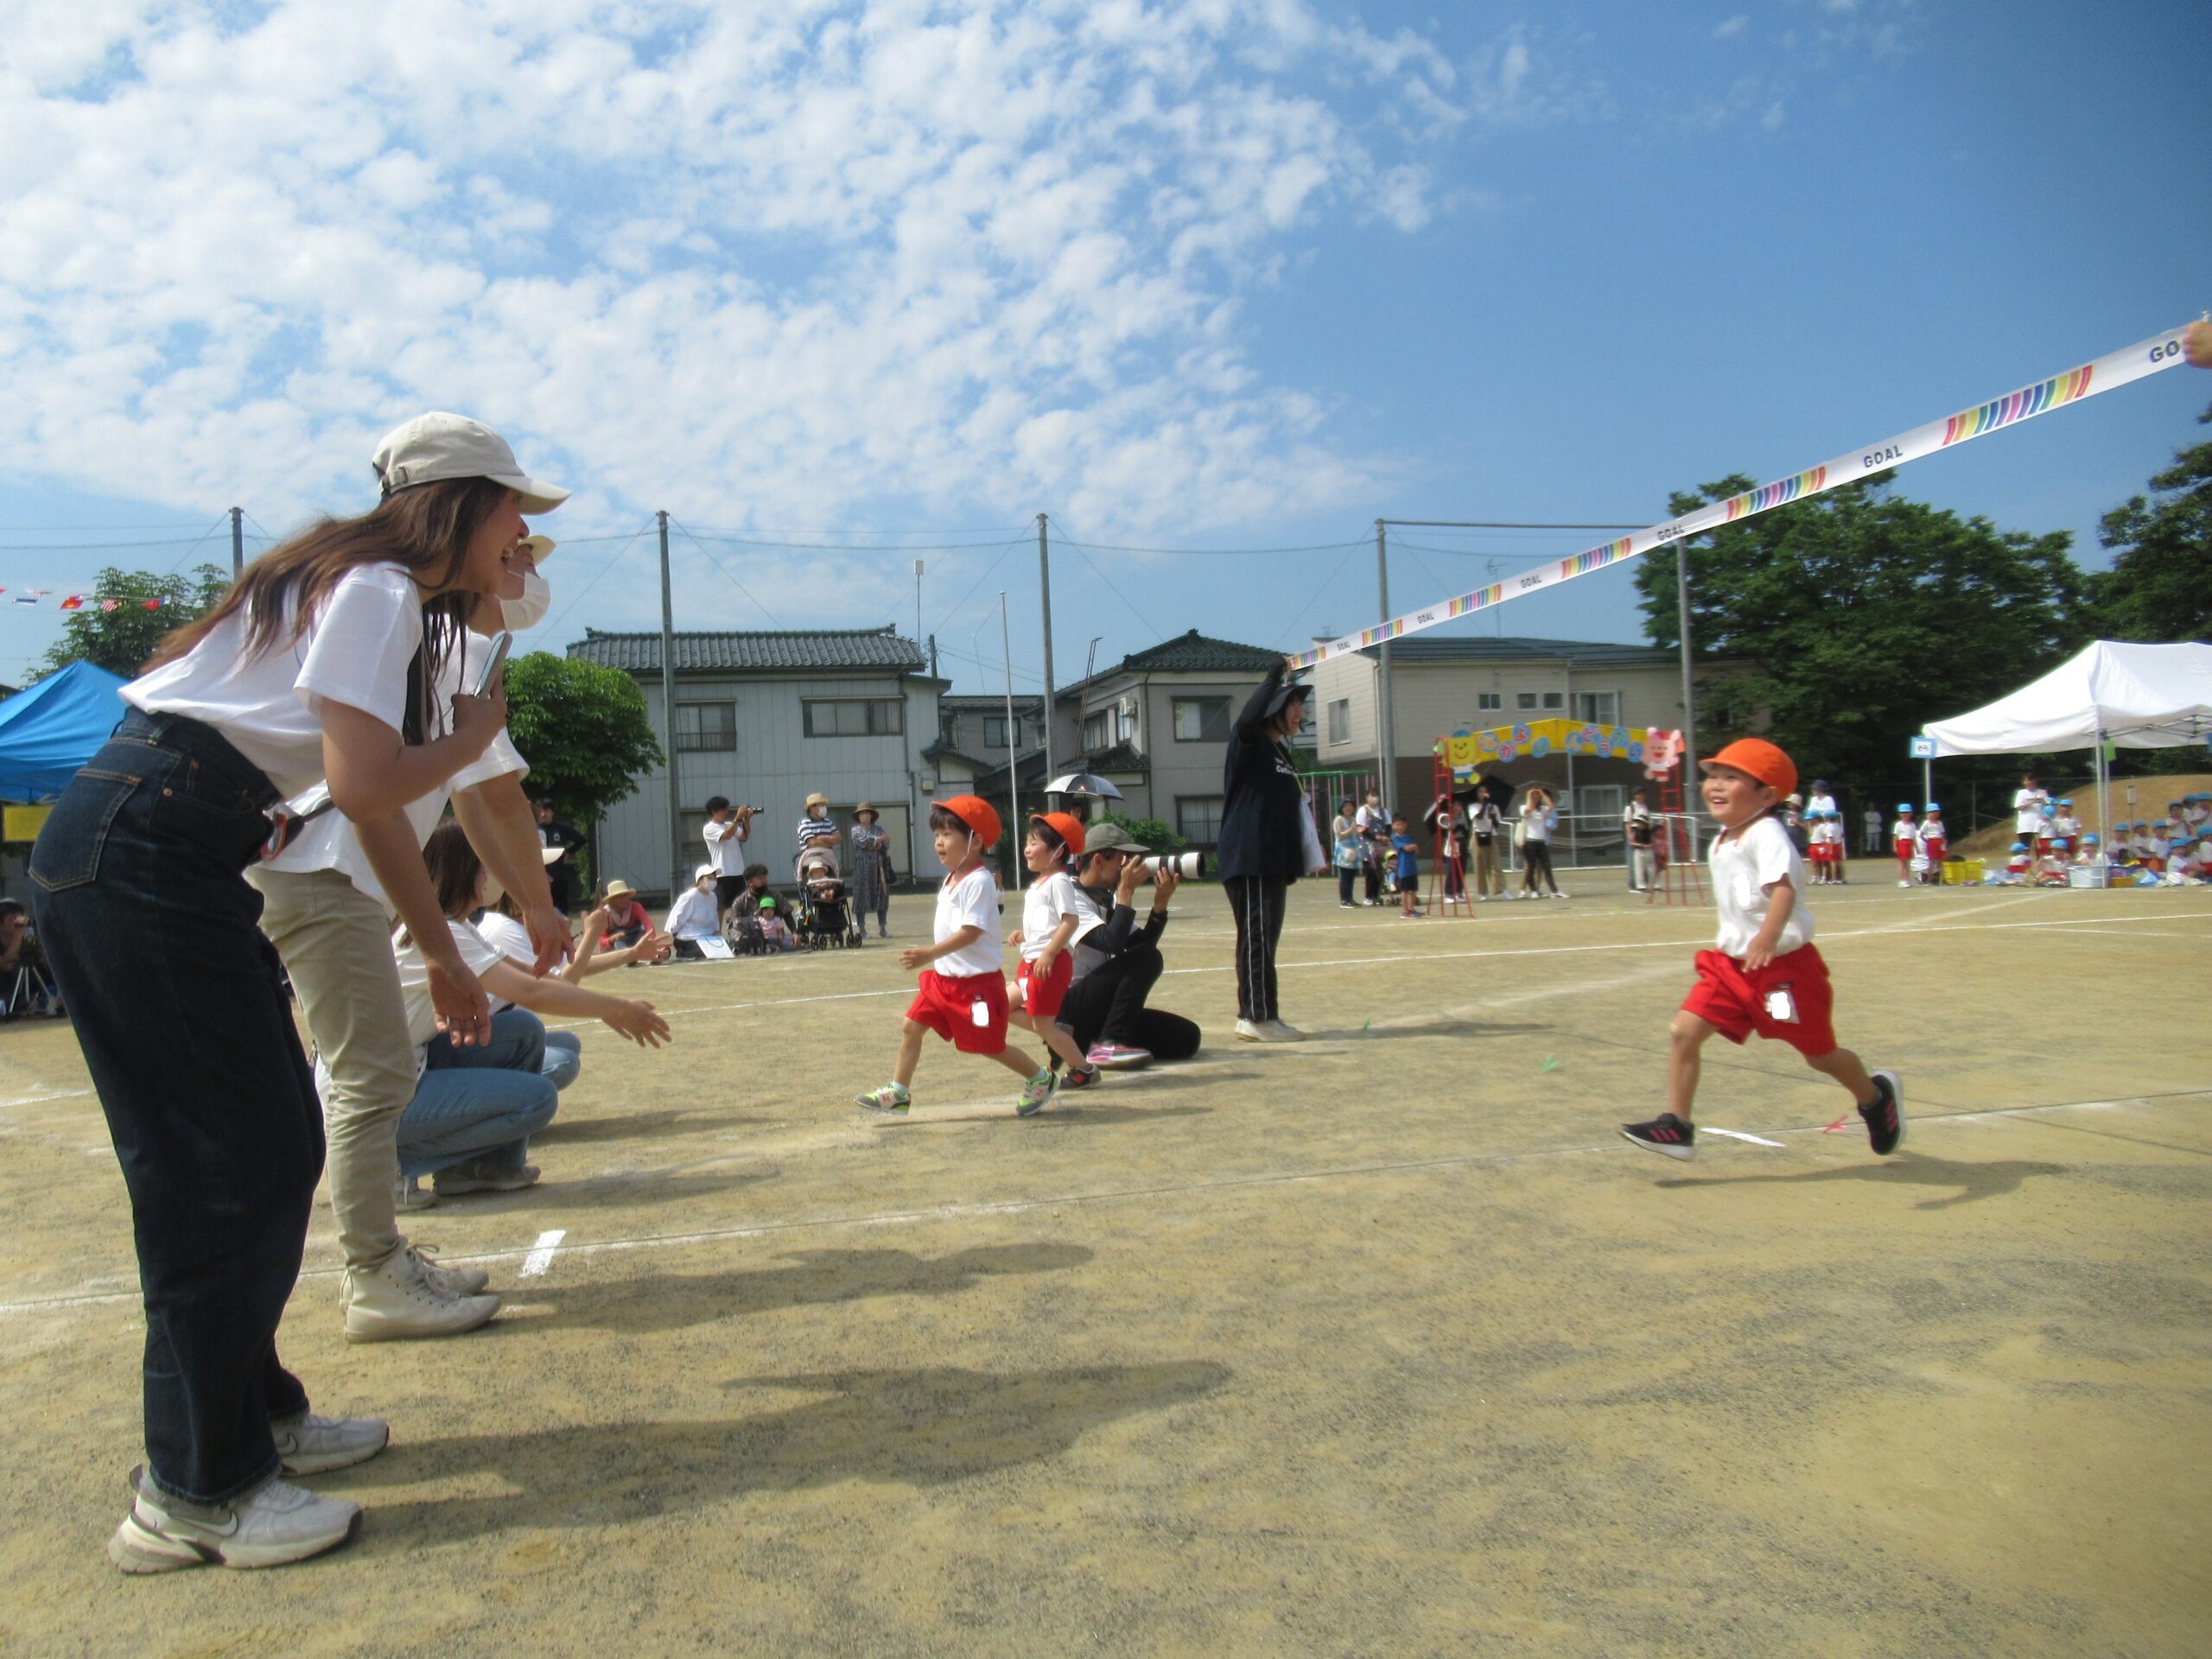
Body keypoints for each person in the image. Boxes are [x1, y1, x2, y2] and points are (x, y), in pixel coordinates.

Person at [29, 410, 563, 1573]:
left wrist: (442, 949)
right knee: (225, 1166)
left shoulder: (354, 583)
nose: (522, 535)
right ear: (466, 504)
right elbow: (367, 787)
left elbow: (371, 810)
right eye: (515, 511)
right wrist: (471, 732)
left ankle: (254, 1420)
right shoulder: (379, 587)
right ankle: (197, 1490)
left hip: (164, 846)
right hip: (150, 849)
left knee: (262, 1145)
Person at [251, 503, 563, 1347]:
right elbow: (492, 797)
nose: (529, 570)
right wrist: (535, 904)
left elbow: (473, 798)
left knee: (374, 1071)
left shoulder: (447, 638)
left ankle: (384, 1262)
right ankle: (375, 1273)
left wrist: (513, 905)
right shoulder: (444, 636)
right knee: (371, 1076)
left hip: (335, 870)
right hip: (324, 870)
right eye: (519, 552)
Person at [1619, 737, 1903, 1164]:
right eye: (1714, 776)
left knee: (1819, 1054)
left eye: (1731, 778)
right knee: (1684, 1032)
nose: (1716, 784)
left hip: (1782, 976)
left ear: (1767, 796)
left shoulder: (1766, 833)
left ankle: (1875, 1097)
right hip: (1731, 969)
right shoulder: (1723, 839)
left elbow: (1783, 890)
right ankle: (1677, 1125)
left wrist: (1768, 937)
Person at [391, 821, 670, 1206]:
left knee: (524, 1031)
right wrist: (618, 1008)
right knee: (538, 1097)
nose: (489, 874)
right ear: (467, 871)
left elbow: (538, 978)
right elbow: (536, 991)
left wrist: (608, 1000)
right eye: (484, 865)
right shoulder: (448, 933)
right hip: (384, 1096)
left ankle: (479, 1169)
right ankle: (387, 1163)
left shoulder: (456, 927)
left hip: (411, 1067)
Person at [855, 796, 1058, 1116]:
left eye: (947, 835)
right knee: (911, 1025)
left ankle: (1040, 1078)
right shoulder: (953, 878)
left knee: (990, 1047)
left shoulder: (979, 881)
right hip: (943, 982)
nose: (939, 842)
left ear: (975, 841)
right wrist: (935, 960)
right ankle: (898, 1092)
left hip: (976, 988)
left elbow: (971, 932)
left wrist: (929, 953)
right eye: (937, 835)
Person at [1218, 658, 1316, 1042]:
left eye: (1300, 704)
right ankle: (1257, 1018)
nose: (1299, 712)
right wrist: (1275, 676)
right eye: (1292, 703)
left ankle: (1260, 1013)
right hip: (1251, 857)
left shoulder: (1280, 753)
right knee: (1256, 937)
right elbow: (1247, 719)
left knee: (1264, 939)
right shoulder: (1250, 743)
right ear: (1273, 708)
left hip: (1273, 861)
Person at [1061, 822, 1199, 1069]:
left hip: (1098, 1007)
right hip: (1072, 1009)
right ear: (1099, 861)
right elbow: (1112, 943)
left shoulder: (1104, 899)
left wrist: (1160, 905)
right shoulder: (1070, 897)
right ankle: (1110, 1043)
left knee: (1187, 1038)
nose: (1126, 867)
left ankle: (1103, 1040)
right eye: (1122, 859)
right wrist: (1125, 893)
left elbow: (1141, 947)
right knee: (1149, 957)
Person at [1006, 812, 1094, 1086]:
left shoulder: (1059, 881)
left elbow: (1070, 921)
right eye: (1027, 843)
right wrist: (1025, 935)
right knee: (1002, 1007)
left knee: (1042, 1026)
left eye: (1034, 843)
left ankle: (1084, 1069)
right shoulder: (1039, 883)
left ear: (1058, 852)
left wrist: (1049, 953)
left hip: (1049, 964)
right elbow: (1049, 922)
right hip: (1032, 961)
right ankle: (1057, 1032)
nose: (1027, 849)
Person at [701, 798, 755, 920]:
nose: (726, 812)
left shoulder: (730, 824)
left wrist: (746, 820)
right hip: (722, 873)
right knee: (720, 907)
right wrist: (738, 819)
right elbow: (727, 835)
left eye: (727, 809)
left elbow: (743, 837)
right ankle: (717, 931)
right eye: (723, 810)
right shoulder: (709, 828)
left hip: (738, 871)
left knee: (741, 905)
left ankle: (740, 929)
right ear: (714, 811)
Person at [533, 796, 587, 914]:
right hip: (538, 877)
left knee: (561, 910)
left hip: (558, 876)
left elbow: (581, 840)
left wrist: (569, 852)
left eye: (547, 811)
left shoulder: (561, 829)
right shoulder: (532, 829)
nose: (543, 814)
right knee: (542, 911)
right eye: (540, 811)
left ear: (552, 812)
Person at [849, 803, 894, 938]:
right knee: (860, 896)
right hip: (862, 867)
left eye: (868, 813)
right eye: (862, 813)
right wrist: (878, 840)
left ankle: (883, 928)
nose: (865, 816)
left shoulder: (878, 828)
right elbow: (864, 842)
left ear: (872, 815)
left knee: (882, 895)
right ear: (858, 816)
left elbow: (886, 843)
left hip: (878, 866)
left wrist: (879, 842)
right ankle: (862, 929)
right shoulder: (855, 830)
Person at [664, 865, 722, 957]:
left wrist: (716, 931)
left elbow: (714, 917)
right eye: (710, 878)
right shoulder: (691, 896)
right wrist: (674, 931)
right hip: (689, 937)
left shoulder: (713, 897)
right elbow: (679, 915)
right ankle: (683, 953)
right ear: (700, 880)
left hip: (708, 936)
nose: (713, 881)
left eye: (714, 878)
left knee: (724, 948)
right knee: (703, 953)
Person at [1517, 786, 1562, 899]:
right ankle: (1533, 890)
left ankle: (1554, 891)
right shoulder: (1524, 808)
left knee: (1547, 866)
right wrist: (1530, 795)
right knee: (1530, 867)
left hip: (1541, 842)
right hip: (1530, 842)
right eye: (1534, 796)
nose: (1536, 798)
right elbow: (1528, 809)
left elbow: (1551, 806)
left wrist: (1542, 795)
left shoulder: (1542, 809)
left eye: (1537, 796)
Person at [1467, 782, 1507, 901]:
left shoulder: (1494, 807)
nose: (1483, 794)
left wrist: (1493, 816)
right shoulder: (1473, 806)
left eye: (1485, 791)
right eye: (1480, 792)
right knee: (1480, 866)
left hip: (1491, 837)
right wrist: (1485, 805)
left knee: (1496, 865)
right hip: (1478, 838)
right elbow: (1478, 817)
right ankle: (1483, 892)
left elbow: (1497, 824)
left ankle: (1502, 889)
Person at [1354, 788, 1389, 905]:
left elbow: (1388, 826)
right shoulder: (1363, 811)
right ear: (1367, 797)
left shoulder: (1383, 811)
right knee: (1370, 871)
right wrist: (1375, 837)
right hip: (1367, 845)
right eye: (1371, 795)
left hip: (1381, 845)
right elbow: (1361, 829)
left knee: (1380, 871)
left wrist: (1386, 836)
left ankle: (1377, 895)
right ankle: (1368, 896)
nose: (1374, 797)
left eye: (1375, 795)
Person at [599, 879, 652, 947]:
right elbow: (602, 941)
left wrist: (651, 941)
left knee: (646, 937)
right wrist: (613, 938)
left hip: (635, 939)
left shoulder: (636, 907)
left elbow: (650, 927)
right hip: (614, 946)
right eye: (619, 897)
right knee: (618, 942)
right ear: (612, 900)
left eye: (625, 895)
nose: (624, 899)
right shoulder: (606, 914)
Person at [1625, 790, 1659, 896]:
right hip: (1635, 836)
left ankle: (1652, 884)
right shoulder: (1630, 807)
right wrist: (1630, 836)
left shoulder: (1645, 807)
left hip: (1646, 836)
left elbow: (1649, 823)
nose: (1640, 796)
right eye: (1638, 794)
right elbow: (1627, 823)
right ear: (1634, 796)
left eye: (1642, 794)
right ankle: (1635, 885)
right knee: (1635, 864)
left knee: (1650, 864)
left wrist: (1652, 838)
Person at [1332, 799, 1363, 908]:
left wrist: (1359, 832)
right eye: (1346, 806)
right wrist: (1351, 829)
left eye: (1350, 806)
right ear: (1341, 808)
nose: (1349, 808)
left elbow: (1356, 835)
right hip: (1343, 851)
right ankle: (1344, 900)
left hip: (1353, 850)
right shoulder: (1338, 819)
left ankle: (1350, 899)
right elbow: (1340, 835)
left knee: (1351, 876)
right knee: (1345, 876)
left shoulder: (1353, 819)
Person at [797, 791, 841, 865]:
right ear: (812, 808)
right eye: (821, 805)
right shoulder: (804, 823)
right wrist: (831, 842)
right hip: (811, 858)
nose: (824, 808)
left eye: (824, 805)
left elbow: (839, 839)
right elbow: (813, 843)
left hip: (828, 858)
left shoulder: (828, 822)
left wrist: (823, 837)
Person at [1391, 815, 1421, 918]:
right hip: (1403, 868)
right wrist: (1413, 847)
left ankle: (1412, 909)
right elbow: (1407, 848)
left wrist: (1414, 847)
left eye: (1403, 825)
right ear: (1393, 826)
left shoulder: (1409, 837)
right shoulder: (1395, 838)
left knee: (1413, 889)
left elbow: (1416, 850)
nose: (1400, 827)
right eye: (1398, 824)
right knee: (1404, 890)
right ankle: (1405, 910)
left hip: (1412, 867)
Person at [1891, 804, 1919, 888]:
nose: (1905, 814)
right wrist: (1895, 846)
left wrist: (1916, 847)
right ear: (1900, 814)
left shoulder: (1912, 825)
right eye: (1903, 813)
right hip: (1902, 843)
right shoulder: (1898, 824)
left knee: (1907, 863)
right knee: (1902, 863)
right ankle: (1902, 880)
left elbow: (1914, 837)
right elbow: (1896, 836)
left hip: (1909, 843)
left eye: (1907, 812)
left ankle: (1907, 880)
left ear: (1911, 813)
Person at [1919, 806, 1948, 884]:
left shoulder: (1940, 823)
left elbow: (1942, 834)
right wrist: (1927, 841)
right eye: (1932, 812)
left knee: (1941, 861)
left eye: (1937, 812)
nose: (1935, 814)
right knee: (1932, 861)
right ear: (1928, 813)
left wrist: (1944, 843)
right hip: (1931, 841)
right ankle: (1930, 879)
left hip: (1940, 841)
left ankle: (1943, 879)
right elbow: (1921, 834)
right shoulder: (1926, 823)